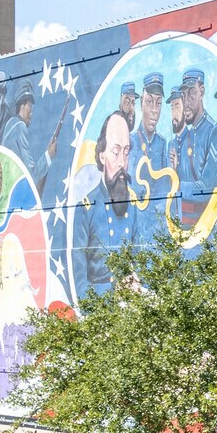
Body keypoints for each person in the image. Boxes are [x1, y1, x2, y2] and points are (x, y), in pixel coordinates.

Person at [73, 111, 138, 297]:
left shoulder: (133, 207)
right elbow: (80, 290)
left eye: (126, 153)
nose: (122, 163)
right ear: (102, 156)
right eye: (115, 153)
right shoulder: (86, 210)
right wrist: (114, 291)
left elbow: (141, 263)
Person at [172, 68, 217, 227]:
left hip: (204, 227)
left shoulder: (213, 131)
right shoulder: (186, 137)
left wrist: (174, 184)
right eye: (183, 95)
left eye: (191, 93)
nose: (186, 102)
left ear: (201, 92)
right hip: (181, 226)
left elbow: (207, 188)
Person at [0, 81, 57, 198]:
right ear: (22, 107)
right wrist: (48, 155)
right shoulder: (19, 127)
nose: (31, 113)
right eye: (29, 108)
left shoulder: (10, 125)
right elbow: (31, 175)